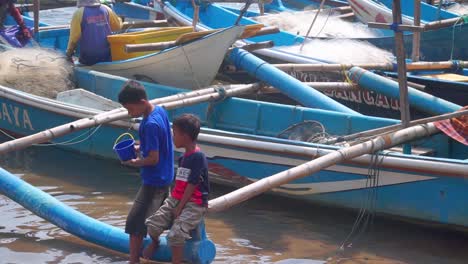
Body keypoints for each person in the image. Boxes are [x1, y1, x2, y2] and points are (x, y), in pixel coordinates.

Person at [118, 80, 174, 264]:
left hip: (154, 179)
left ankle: (133, 261)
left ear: (141, 102)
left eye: (129, 109)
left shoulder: (149, 124)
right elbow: (159, 141)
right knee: (156, 217)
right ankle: (156, 244)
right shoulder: (159, 110)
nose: (129, 113)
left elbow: (153, 159)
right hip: (166, 175)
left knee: (135, 223)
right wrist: (140, 146)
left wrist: (134, 162)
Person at [143, 114, 209, 264]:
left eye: (175, 134)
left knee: (176, 234)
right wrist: (173, 202)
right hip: (176, 198)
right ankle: (155, 243)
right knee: (152, 224)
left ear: (185, 136)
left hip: (194, 202)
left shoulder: (198, 157)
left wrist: (179, 207)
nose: (173, 137)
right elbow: (180, 183)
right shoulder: (183, 157)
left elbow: (192, 184)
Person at [66, 0, 122, 65]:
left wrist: (69, 54)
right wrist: (120, 19)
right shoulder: (106, 9)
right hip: (107, 56)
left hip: (88, 59)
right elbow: (117, 27)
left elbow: (74, 37)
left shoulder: (78, 13)